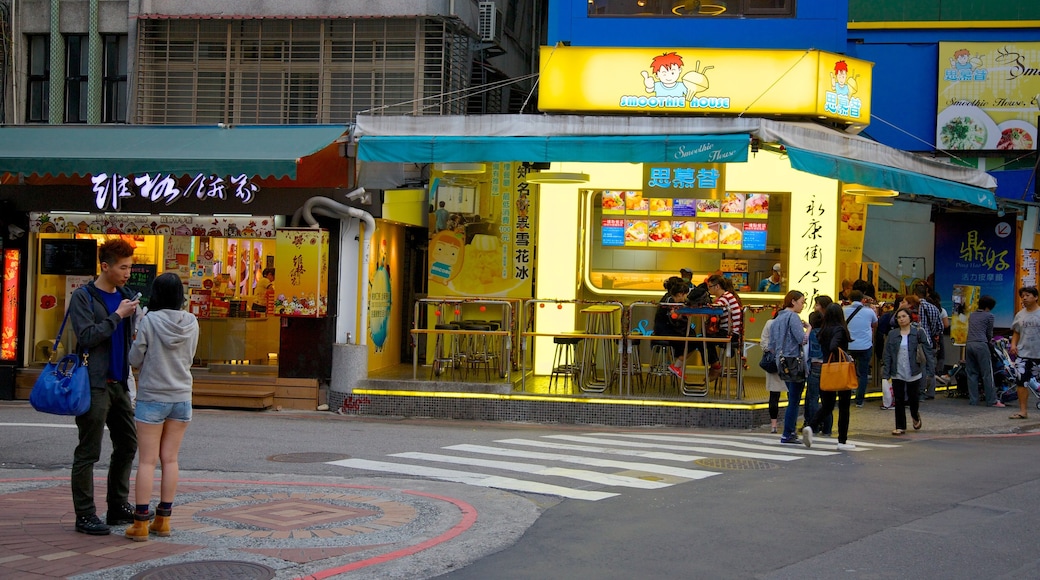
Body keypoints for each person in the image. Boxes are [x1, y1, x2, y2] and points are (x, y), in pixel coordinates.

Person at [67, 239, 140, 535]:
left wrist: (133, 320)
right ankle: (84, 514)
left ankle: (117, 504)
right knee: (89, 451)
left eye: (130, 267)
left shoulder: (124, 294)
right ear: (105, 266)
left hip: (119, 383)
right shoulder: (83, 297)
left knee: (128, 443)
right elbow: (86, 336)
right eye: (123, 267)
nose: (128, 273)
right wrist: (117, 317)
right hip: (93, 383)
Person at [125, 273, 200, 541]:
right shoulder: (192, 321)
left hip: (152, 396)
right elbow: (190, 356)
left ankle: (141, 523)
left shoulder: (150, 320)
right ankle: (163, 521)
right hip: (181, 396)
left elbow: (135, 358)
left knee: (147, 461)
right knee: (170, 459)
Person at [804, 303, 856, 450]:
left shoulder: (823, 330)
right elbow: (834, 346)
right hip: (839, 370)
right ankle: (842, 441)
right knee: (844, 406)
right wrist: (846, 356)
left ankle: (811, 426)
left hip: (825, 369)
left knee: (827, 405)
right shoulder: (840, 329)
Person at [882, 307, 933, 435]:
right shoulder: (893, 334)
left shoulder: (918, 333)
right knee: (898, 399)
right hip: (897, 370)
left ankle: (915, 416)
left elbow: (927, 351)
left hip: (914, 371)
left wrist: (931, 370)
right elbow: (887, 354)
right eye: (899, 317)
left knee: (913, 398)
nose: (901, 319)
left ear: (910, 318)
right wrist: (886, 373)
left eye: (904, 316)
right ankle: (900, 426)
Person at [772, 290, 808, 444]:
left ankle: (789, 432)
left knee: (791, 396)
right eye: (801, 302)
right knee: (794, 399)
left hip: (781, 361)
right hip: (794, 360)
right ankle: (788, 432)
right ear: (793, 301)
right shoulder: (793, 317)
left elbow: (772, 343)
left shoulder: (778, 317)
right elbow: (802, 339)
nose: (803, 305)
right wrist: (809, 328)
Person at [964, 295, 1003, 408]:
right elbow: (989, 333)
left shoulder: (972, 315)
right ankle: (992, 401)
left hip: (969, 344)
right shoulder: (989, 316)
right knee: (987, 374)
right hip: (981, 344)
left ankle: (973, 400)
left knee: (971, 373)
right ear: (988, 307)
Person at [1009, 286, 1040, 420]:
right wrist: (1014, 345)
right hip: (1023, 354)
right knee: (1021, 383)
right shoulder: (1020, 315)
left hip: (1038, 354)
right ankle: (1023, 411)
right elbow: (1016, 331)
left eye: (1028, 295)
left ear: (1036, 297)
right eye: (1023, 296)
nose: (1025, 298)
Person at [910, 282, 944, 399]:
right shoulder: (934, 307)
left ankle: (921, 393)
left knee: (922, 366)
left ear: (915, 294)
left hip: (919, 341)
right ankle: (931, 392)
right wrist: (933, 333)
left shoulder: (918, 307)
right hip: (931, 341)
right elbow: (941, 327)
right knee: (931, 366)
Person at [706, 273, 743, 381]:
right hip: (733, 333)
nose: (709, 289)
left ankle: (715, 366)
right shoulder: (728, 296)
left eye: (710, 287)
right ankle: (714, 365)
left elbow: (712, 312)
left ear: (717, 286)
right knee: (705, 338)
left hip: (730, 334)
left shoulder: (724, 299)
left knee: (704, 339)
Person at [845, 290, 879, 407]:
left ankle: (846, 396)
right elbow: (875, 324)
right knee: (863, 373)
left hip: (849, 346)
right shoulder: (869, 312)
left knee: (848, 372)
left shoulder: (844, 310)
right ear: (862, 299)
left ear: (849, 299)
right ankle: (859, 400)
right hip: (865, 345)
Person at [654, 277, 692, 379]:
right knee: (693, 341)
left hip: (663, 330)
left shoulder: (668, 298)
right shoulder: (670, 301)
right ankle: (676, 366)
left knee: (691, 337)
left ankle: (677, 366)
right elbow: (673, 318)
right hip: (665, 332)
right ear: (680, 293)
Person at [803, 310, 832, 437]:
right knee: (827, 401)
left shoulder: (810, 334)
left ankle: (814, 426)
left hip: (814, 366)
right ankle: (827, 428)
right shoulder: (828, 333)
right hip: (827, 367)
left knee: (813, 398)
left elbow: (805, 350)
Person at [759, 310, 786, 433]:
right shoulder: (789, 324)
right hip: (788, 363)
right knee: (792, 395)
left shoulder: (770, 323)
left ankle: (773, 425)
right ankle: (789, 424)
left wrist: (771, 351)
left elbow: (763, 342)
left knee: (774, 395)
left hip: (773, 363)